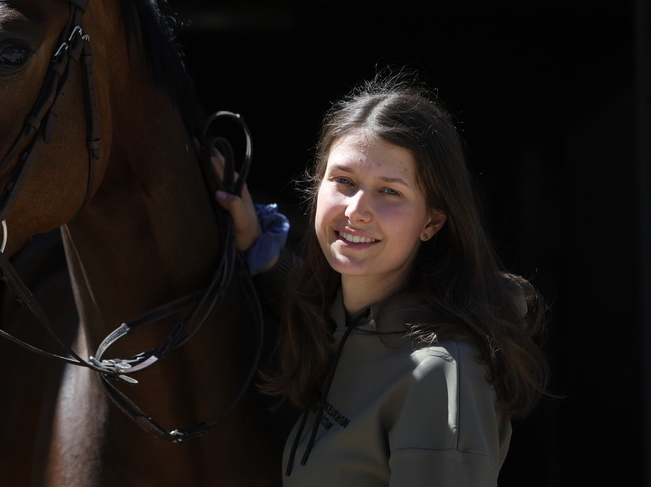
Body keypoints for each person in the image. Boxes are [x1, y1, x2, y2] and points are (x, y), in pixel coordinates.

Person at [216, 72, 549, 485]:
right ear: (317, 188)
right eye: (343, 181)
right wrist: (254, 243)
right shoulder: (344, 323)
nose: (356, 210)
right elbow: (310, 307)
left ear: (432, 222)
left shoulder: (441, 377)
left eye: (389, 191)